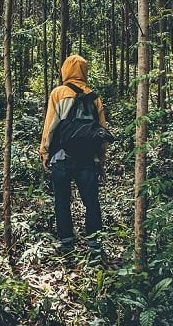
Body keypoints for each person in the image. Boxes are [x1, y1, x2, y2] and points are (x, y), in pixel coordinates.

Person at [39, 54, 107, 255]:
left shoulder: (58, 93)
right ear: (84, 71)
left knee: (61, 200)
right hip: (87, 159)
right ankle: (94, 245)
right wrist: (101, 159)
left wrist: (44, 151)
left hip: (61, 158)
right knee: (91, 201)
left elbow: (50, 127)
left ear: (65, 70)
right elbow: (102, 131)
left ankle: (67, 243)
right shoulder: (94, 97)